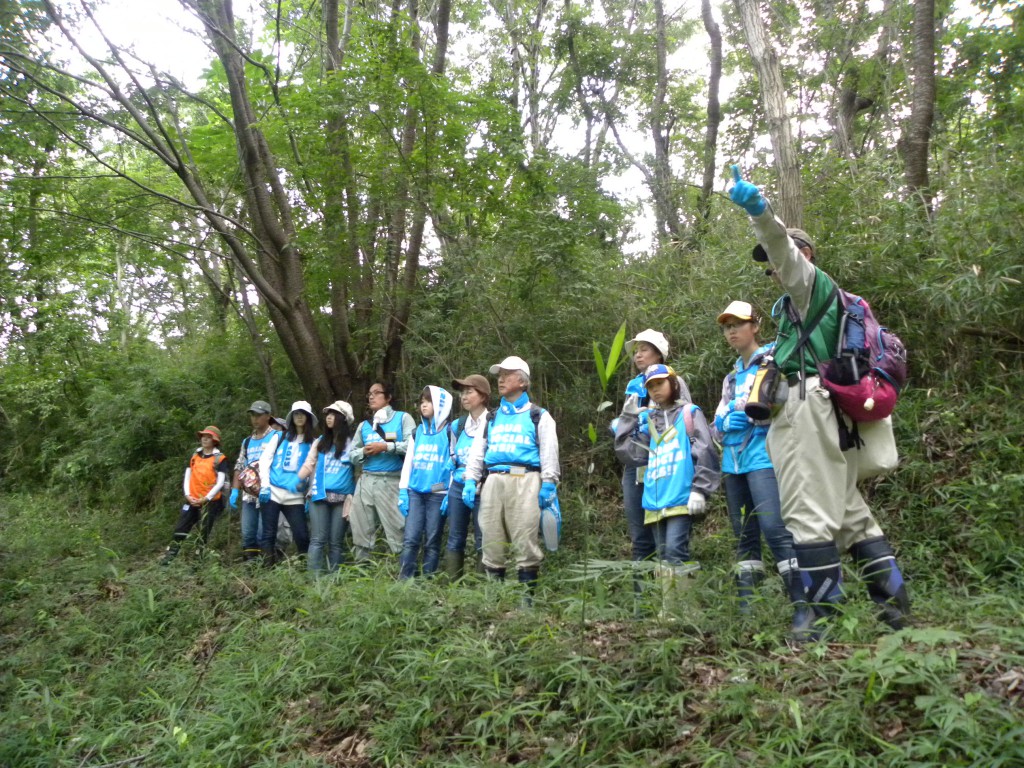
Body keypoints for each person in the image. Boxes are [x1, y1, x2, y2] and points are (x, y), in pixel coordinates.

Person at [729, 166, 911, 638]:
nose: (772, 269)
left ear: (803, 255)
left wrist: (759, 213)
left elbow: (782, 249)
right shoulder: (805, 308)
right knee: (850, 514)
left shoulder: (811, 287)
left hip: (807, 409)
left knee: (805, 512)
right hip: (826, 411)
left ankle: (818, 623)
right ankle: (896, 609)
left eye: (775, 260)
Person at [712, 300, 811, 631]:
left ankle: (803, 606)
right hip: (733, 462)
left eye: (738, 324)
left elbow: (785, 403)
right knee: (744, 536)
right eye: (727, 327)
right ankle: (748, 609)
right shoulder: (731, 377)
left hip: (764, 457)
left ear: (755, 326)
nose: (732, 332)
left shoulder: (772, 359)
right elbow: (717, 424)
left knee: (774, 529)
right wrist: (730, 419)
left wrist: (751, 416)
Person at [615, 365, 719, 614]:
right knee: (662, 554)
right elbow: (629, 455)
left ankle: (683, 609)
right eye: (650, 386)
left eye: (660, 383)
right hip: (655, 498)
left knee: (674, 549)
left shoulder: (690, 413)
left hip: (682, 496)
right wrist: (627, 420)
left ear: (673, 384)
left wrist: (700, 490)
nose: (655, 389)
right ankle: (670, 611)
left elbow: (705, 452)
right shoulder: (649, 422)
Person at [462, 355, 559, 601]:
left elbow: (549, 451)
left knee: (525, 540)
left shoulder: (539, 415)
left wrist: (549, 483)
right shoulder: (491, 417)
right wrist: (470, 480)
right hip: (493, 481)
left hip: (526, 480)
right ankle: (495, 601)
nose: (501, 379)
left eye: (507, 374)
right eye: (499, 375)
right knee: (492, 540)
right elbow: (478, 451)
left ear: (523, 381)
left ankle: (527, 603)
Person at [349, 382, 416, 562]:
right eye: (369, 394)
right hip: (366, 480)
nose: (371, 397)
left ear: (388, 397)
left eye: (377, 393)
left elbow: (413, 445)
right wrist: (364, 451)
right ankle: (361, 571)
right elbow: (351, 454)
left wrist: (386, 446)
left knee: (397, 528)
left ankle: (403, 571)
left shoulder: (403, 418)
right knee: (360, 527)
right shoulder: (364, 425)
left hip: (392, 480)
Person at [397, 386, 455, 579]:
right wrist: (403, 490)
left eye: (428, 401)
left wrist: (449, 493)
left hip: (438, 494)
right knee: (411, 539)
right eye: (422, 401)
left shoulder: (450, 431)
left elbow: (455, 464)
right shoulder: (418, 432)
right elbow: (408, 463)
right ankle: (404, 581)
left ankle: (427, 582)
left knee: (432, 540)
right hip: (415, 493)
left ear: (441, 405)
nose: (423, 405)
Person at [299, 400, 356, 576]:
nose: (329, 418)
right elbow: (309, 464)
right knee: (317, 539)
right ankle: (313, 580)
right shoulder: (320, 442)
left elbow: (359, 470)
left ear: (343, 419)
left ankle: (335, 579)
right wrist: (295, 481)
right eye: (327, 414)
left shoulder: (353, 443)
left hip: (342, 498)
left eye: (333, 414)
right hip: (319, 495)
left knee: (336, 541)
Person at [443, 374, 491, 580]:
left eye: (469, 391)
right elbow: (453, 456)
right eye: (462, 392)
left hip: (485, 485)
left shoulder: (493, 422)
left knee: (483, 538)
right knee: (455, 536)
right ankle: (453, 585)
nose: (464, 396)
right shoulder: (458, 425)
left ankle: (483, 587)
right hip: (458, 486)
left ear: (483, 395)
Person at [258, 400, 317, 565]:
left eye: (303, 414)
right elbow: (265, 461)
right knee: (268, 534)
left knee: (302, 535)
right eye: (296, 414)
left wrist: (309, 494)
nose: (299, 417)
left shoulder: (313, 442)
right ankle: (266, 570)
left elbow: (313, 470)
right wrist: (265, 486)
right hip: (273, 491)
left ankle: (304, 570)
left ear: (309, 418)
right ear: (291, 417)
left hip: (295, 495)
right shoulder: (279, 436)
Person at [161, 426, 230, 564]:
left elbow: (220, 482)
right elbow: (188, 476)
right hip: (191, 499)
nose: (205, 438)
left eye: (209, 437)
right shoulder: (195, 456)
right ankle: (169, 558)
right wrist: (187, 495)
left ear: (215, 440)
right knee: (181, 527)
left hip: (209, 502)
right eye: (203, 436)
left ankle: (197, 562)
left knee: (203, 532)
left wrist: (206, 498)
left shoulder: (220, 459)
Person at [229, 400, 278, 563]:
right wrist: (235, 490)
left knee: (264, 532)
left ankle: (266, 566)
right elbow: (239, 465)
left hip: (268, 492)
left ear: (268, 416)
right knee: (248, 532)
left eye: (259, 415)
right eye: (252, 415)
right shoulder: (247, 441)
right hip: (248, 494)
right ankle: (251, 565)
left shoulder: (276, 437)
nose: (255, 419)